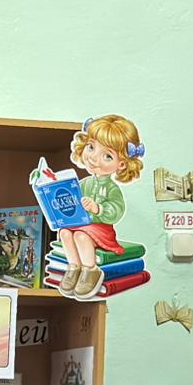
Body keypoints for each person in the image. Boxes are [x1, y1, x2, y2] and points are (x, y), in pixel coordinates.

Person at [55, 114, 144, 299]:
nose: (94, 158)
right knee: (64, 233)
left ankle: (90, 270)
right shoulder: (84, 183)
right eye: (91, 147)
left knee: (80, 236)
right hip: (82, 223)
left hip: (101, 229)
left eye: (107, 155)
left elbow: (117, 209)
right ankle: (74, 267)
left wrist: (98, 209)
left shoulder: (112, 188)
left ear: (121, 164)